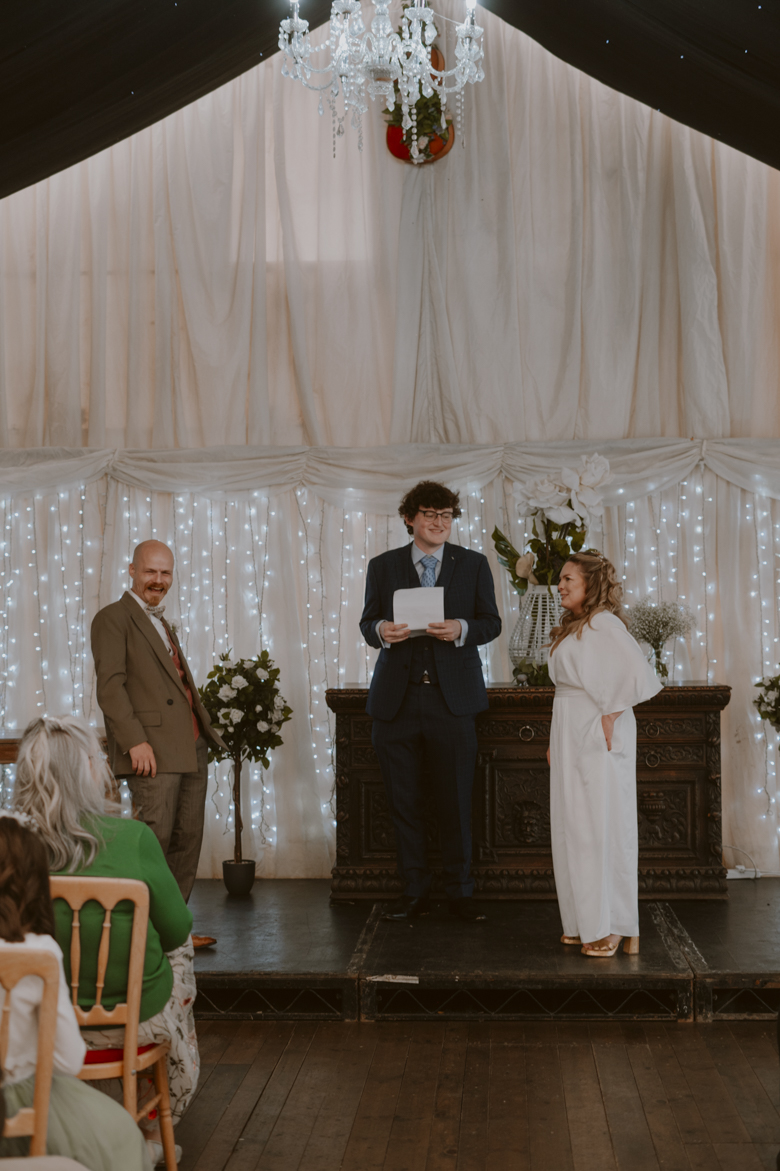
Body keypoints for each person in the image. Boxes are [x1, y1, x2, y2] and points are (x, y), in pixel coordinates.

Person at [13, 716, 198, 1166]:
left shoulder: (10, 847)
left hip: (35, 1018)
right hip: (135, 1018)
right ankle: (152, 1126)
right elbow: (177, 930)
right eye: (97, 758)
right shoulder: (134, 838)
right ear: (86, 772)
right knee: (182, 950)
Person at [359, 480, 502, 922]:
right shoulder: (383, 566)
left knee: (456, 801)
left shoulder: (474, 564)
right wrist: (381, 631)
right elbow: (367, 623)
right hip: (396, 702)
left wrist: (461, 628)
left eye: (446, 515)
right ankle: (414, 890)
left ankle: (461, 893)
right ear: (409, 518)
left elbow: (491, 622)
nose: (440, 523)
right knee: (403, 802)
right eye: (430, 514)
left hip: (452, 701)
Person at [91, 539, 225, 946]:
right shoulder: (112, 618)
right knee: (154, 842)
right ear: (132, 570)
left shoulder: (162, 622)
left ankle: (173, 931)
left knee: (188, 840)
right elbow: (110, 688)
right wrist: (135, 742)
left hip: (191, 744)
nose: (158, 580)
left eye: (165, 573)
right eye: (150, 571)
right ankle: (140, 935)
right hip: (151, 749)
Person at [0, 813, 153, 1170]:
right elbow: (70, 1060)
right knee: (121, 1137)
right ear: (34, 883)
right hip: (22, 1100)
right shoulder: (39, 953)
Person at [547, 551, 662, 957]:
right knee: (574, 827)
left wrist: (610, 717)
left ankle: (615, 924)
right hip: (571, 728)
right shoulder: (577, 625)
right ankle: (584, 920)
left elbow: (638, 674)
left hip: (594, 730)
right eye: (560, 579)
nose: (560, 586)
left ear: (590, 584)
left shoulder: (603, 623)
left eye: (568, 579)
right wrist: (556, 740)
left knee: (601, 824)